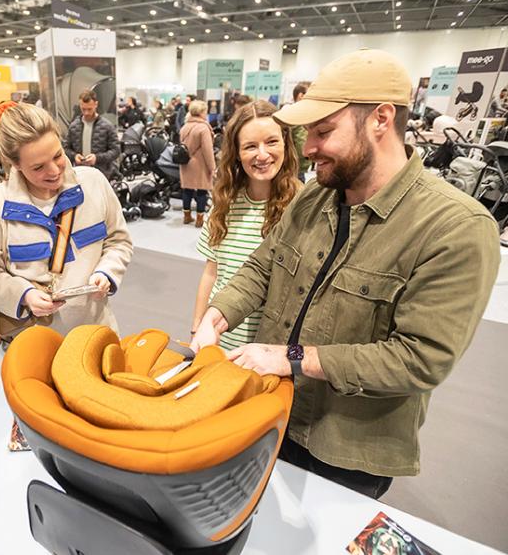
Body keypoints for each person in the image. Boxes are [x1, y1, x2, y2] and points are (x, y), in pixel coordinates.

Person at [190, 49, 501, 499]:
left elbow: (421, 358)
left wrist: (292, 358)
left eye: (324, 131)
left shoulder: (455, 229)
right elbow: (261, 267)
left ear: (380, 118)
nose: (308, 148)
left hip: (345, 449)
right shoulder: (312, 197)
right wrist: (215, 319)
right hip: (270, 414)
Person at [0, 103, 133, 341]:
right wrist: (24, 295)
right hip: (33, 345)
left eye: (58, 155)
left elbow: (118, 241)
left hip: (94, 334)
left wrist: (107, 272)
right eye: (38, 167)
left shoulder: (94, 184)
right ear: (15, 164)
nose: (54, 170)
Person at [193, 100, 301, 350]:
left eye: (271, 142)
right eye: (250, 146)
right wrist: (197, 325)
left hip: (269, 347)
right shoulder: (225, 202)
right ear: (237, 153)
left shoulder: (302, 205)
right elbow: (211, 272)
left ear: (286, 143)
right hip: (218, 340)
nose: (262, 155)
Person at [63, 90, 120, 181]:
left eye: (89, 109)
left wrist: (97, 158)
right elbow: (65, 149)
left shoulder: (107, 126)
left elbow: (116, 151)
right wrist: (74, 156)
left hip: (102, 174)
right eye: (83, 109)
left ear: (96, 104)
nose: (86, 113)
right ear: (80, 105)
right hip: (80, 173)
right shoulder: (73, 126)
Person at [179, 100, 215, 228]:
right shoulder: (203, 128)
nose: (207, 113)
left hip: (185, 162)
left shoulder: (184, 127)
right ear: (201, 112)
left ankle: (187, 216)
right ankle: (199, 219)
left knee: (187, 190)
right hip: (200, 164)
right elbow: (208, 150)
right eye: (205, 111)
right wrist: (212, 167)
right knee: (201, 191)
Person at [289, 83, 312, 180]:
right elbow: (300, 141)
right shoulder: (300, 114)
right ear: (301, 96)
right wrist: (307, 157)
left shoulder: (290, 111)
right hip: (297, 164)